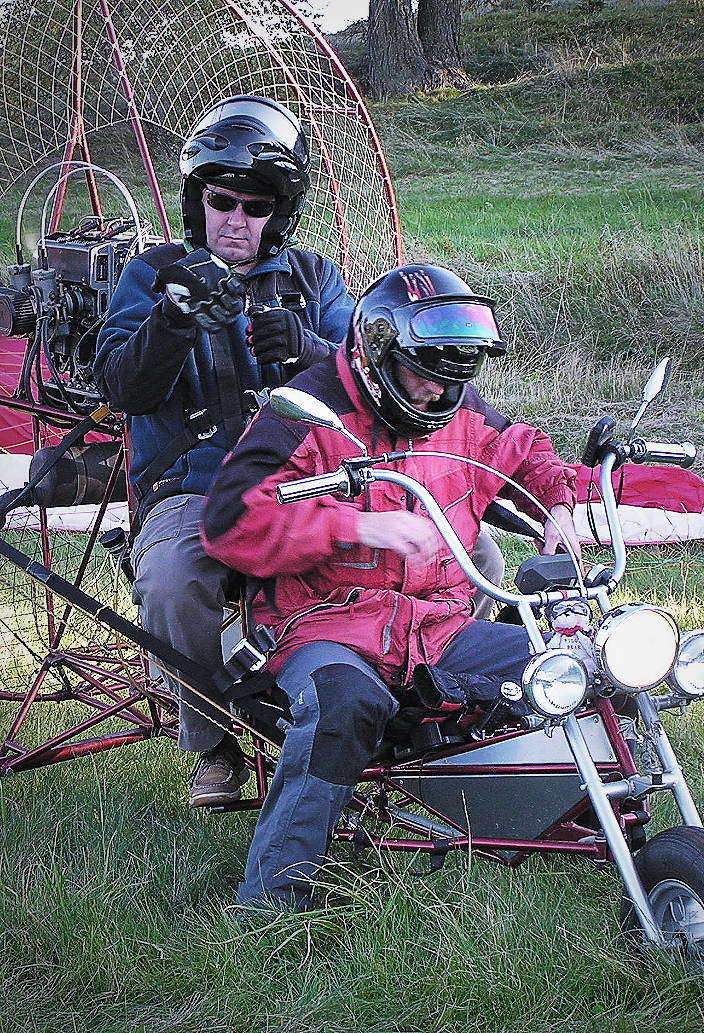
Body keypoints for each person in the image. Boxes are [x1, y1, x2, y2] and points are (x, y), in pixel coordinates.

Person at [201, 263, 581, 911]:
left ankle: (591, 825)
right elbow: (228, 521)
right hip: (321, 623)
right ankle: (270, 905)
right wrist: (358, 527)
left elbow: (520, 448)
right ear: (379, 354)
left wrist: (559, 503)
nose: (438, 393)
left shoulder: (454, 408)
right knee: (343, 704)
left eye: (456, 377)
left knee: (577, 662)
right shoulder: (309, 408)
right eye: (425, 375)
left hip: (435, 626)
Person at [94, 95, 354, 807]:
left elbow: (370, 380)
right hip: (193, 487)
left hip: (306, 484)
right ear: (197, 198)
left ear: (282, 212)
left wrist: (311, 352)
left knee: (447, 550)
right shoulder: (153, 273)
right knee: (175, 579)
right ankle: (214, 742)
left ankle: (372, 716)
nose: (236, 218)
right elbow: (120, 383)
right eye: (221, 199)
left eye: (256, 204)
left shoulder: (314, 280)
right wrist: (172, 318)